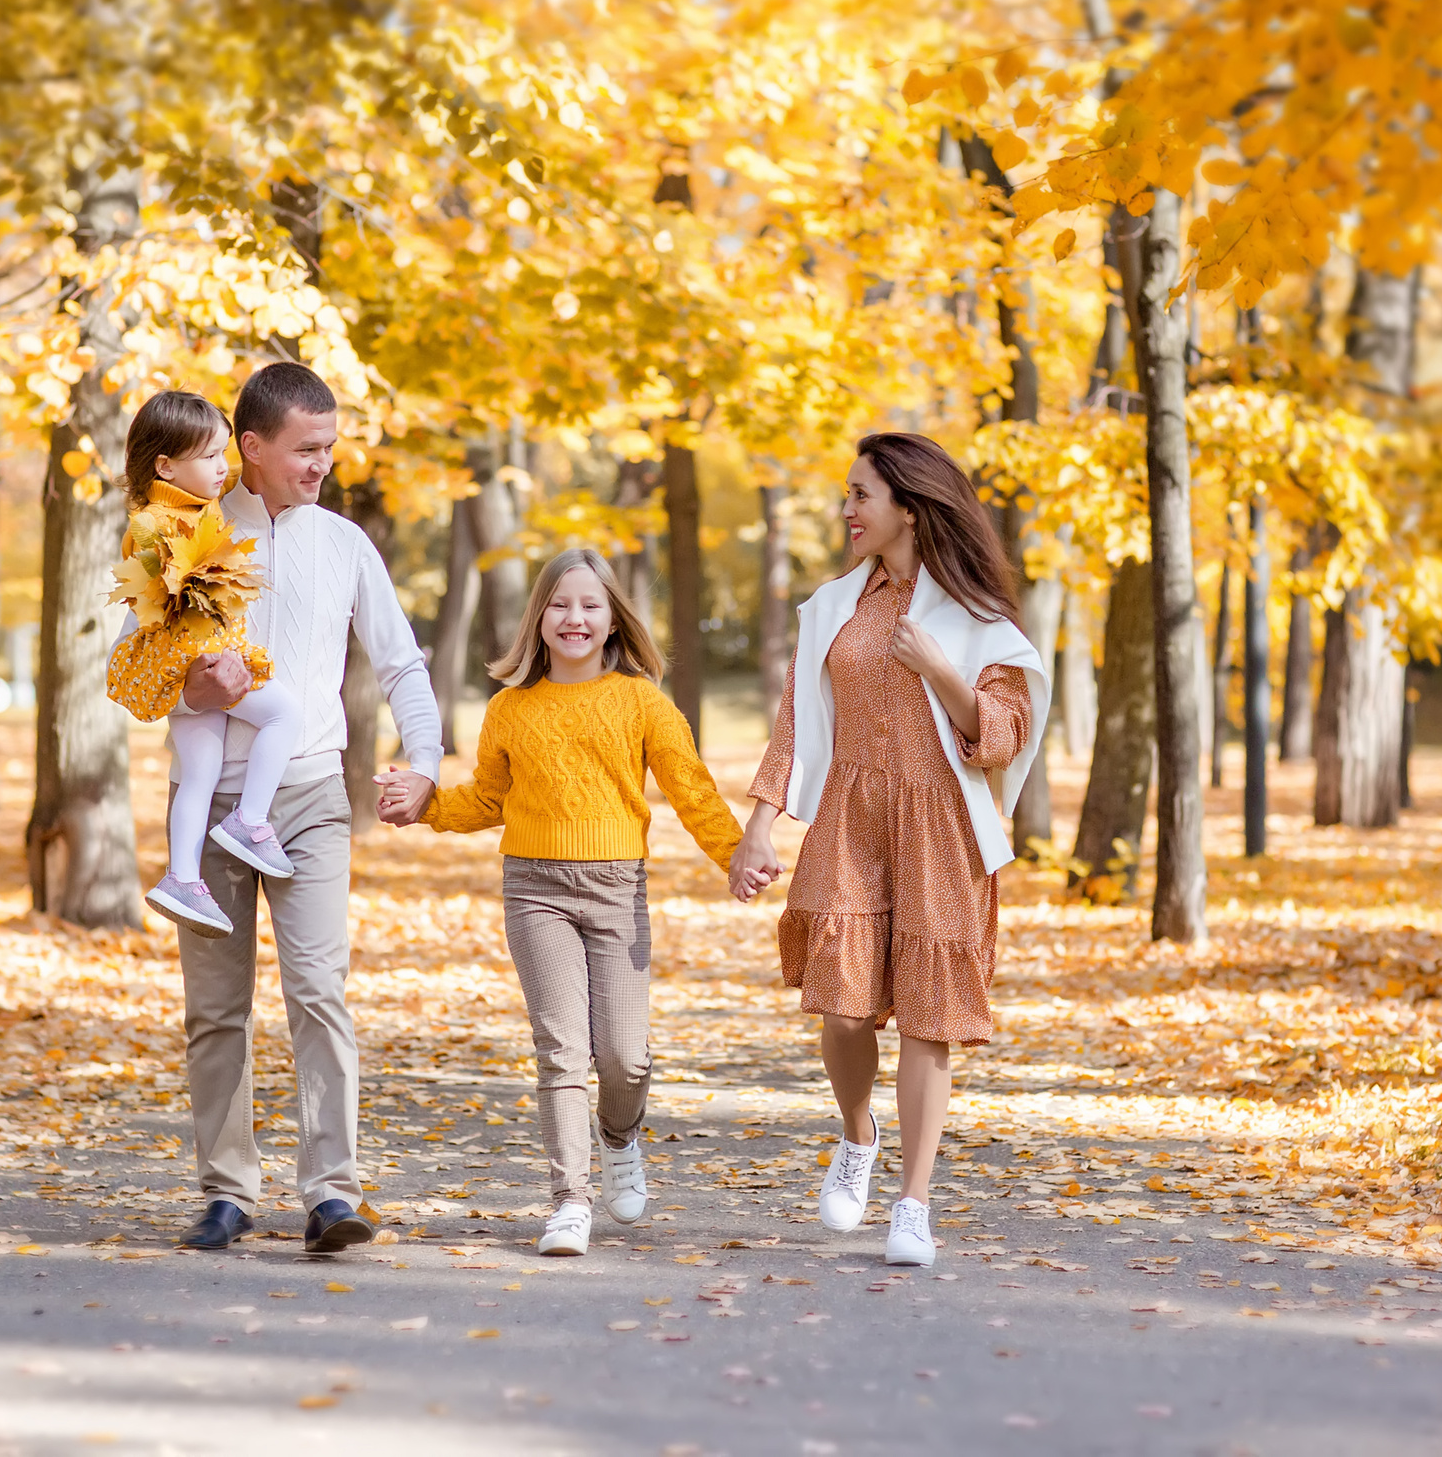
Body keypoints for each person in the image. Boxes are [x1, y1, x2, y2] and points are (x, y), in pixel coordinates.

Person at [124, 362, 442, 1256]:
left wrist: (424, 760)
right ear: (252, 448)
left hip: (307, 799)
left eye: (330, 448)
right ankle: (226, 1190)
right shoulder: (181, 532)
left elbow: (401, 661)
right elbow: (129, 673)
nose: (323, 465)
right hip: (209, 800)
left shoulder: (344, 544)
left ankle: (332, 1194)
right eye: (307, 450)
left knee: (318, 990)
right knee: (218, 1009)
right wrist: (191, 685)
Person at [727, 432, 1048, 1268]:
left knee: (928, 1022)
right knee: (842, 1005)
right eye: (847, 494)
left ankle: (914, 1202)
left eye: (860, 495)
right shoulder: (837, 606)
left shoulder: (978, 618)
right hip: (852, 815)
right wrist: (760, 823)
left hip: (941, 825)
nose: (846, 511)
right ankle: (858, 1134)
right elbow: (797, 720)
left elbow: (1005, 733)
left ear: (909, 503)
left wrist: (944, 671)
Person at [377, 549, 745, 1257]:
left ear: (613, 619)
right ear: (538, 617)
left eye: (590, 605)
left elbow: (692, 788)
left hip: (616, 889)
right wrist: (424, 804)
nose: (574, 617)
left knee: (625, 1057)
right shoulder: (509, 708)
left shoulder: (642, 701)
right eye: (560, 604)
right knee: (561, 1050)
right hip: (534, 887)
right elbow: (488, 798)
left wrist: (737, 854)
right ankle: (569, 1201)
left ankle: (619, 1133)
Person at [106, 391, 306, 934]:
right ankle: (250, 820)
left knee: (201, 771)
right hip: (199, 658)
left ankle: (182, 877)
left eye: (224, 454)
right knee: (285, 714)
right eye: (210, 457)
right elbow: (169, 594)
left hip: (186, 665)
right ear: (166, 465)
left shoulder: (183, 510)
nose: (224, 468)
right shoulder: (160, 521)